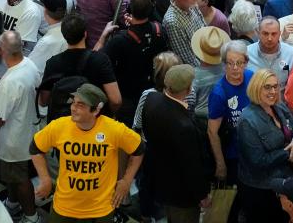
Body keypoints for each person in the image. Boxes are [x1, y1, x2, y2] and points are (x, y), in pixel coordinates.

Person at [30, 83, 145, 222]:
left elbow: (139, 149)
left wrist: (126, 181)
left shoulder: (114, 129)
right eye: (73, 103)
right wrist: (45, 179)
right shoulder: (59, 126)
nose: (73, 108)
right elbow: (35, 148)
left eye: (81, 105)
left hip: (101, 209)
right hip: (64, 206)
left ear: (96, 110)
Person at [142, 64, 211, 223]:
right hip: (181, 194)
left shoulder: (152, 100)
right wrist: (202, 195)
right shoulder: (183, 126)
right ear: (188, 90)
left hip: (160, 182)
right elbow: (191, 166)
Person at [237, 69, 293, 223]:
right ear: (256, 88)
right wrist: (288, 152)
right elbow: (257, 162)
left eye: (275, 86)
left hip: (284, 180)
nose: (273, 91)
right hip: (261, 188)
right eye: (267, 87)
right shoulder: (247, 121)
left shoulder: (279, 107)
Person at [0, 30, 42, 223]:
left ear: (2, 50)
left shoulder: (8, 83)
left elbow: (0, 119)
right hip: (30, 130)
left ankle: (31, 216)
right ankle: (12, 203)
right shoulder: (30, 65)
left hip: (14, 139)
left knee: (20, 179)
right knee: (12, 174)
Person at [100, 0, 167, 125]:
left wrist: (104, 37)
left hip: (128, 97)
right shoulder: (159, 29)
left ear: (130, 10)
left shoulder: (119, 40)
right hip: (153, 92)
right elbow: (146, 30)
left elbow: (99, 61)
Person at [38, 13, 122, 118]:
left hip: (63, 124)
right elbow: (116, 100)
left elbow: (44, 101)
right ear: (85, 34)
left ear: (64, 35)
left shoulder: (53, 63)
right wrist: (107, 115)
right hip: (91, 123)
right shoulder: (100, 61)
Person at [207, 40, 253, 210]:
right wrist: (220, 164)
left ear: (246, 62)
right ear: (224, 64)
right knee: (232, 202)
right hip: (234, 156)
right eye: (230, 63)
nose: (235, 68)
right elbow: (212, 132)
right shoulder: (219, 93)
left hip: (253, 151)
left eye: (239, 63)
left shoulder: (251, 77)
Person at [247, 16, 293, 96]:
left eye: (274, 34)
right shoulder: (246, 54)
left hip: (282, 104)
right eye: (265, 33)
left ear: (280, 33)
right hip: (254, 103)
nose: (270, 38)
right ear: (258, 33)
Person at [163, 0, 207, 67]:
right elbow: (188, 60)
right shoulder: (173, 22)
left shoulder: (191, 4)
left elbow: (204, 28)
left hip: (205, 55)